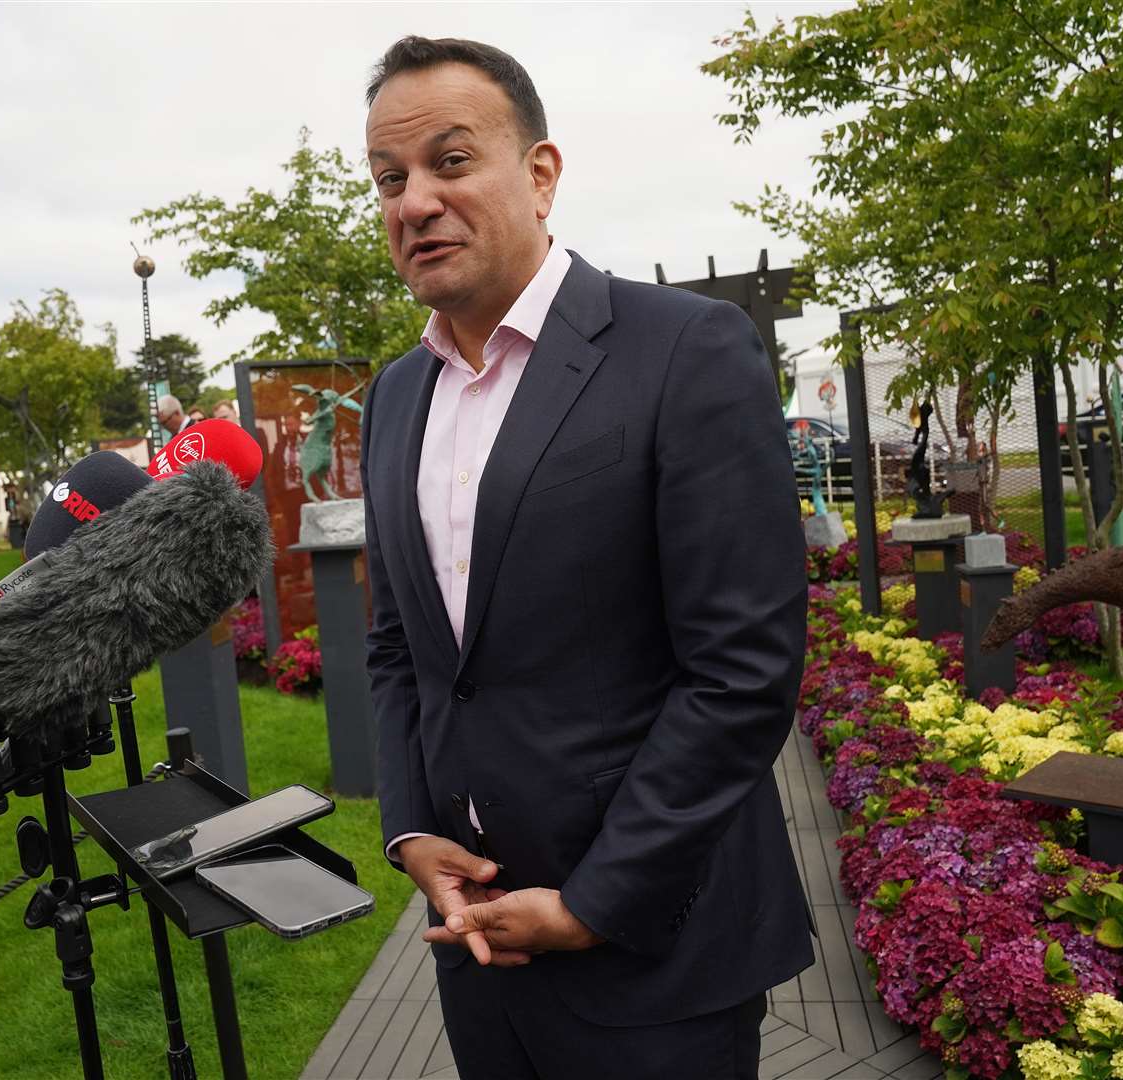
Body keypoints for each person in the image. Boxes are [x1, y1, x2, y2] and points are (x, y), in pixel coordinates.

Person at [359, 37, 811, 1079]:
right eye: (391, 179)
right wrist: (411, 830)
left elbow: (742, 672)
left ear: (542, 173)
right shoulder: (395, 397)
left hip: (657, 950)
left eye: (450, 161)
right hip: (476, 952)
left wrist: (595, 902)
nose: (415, 200)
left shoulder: (687, 350)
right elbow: (401, 650)